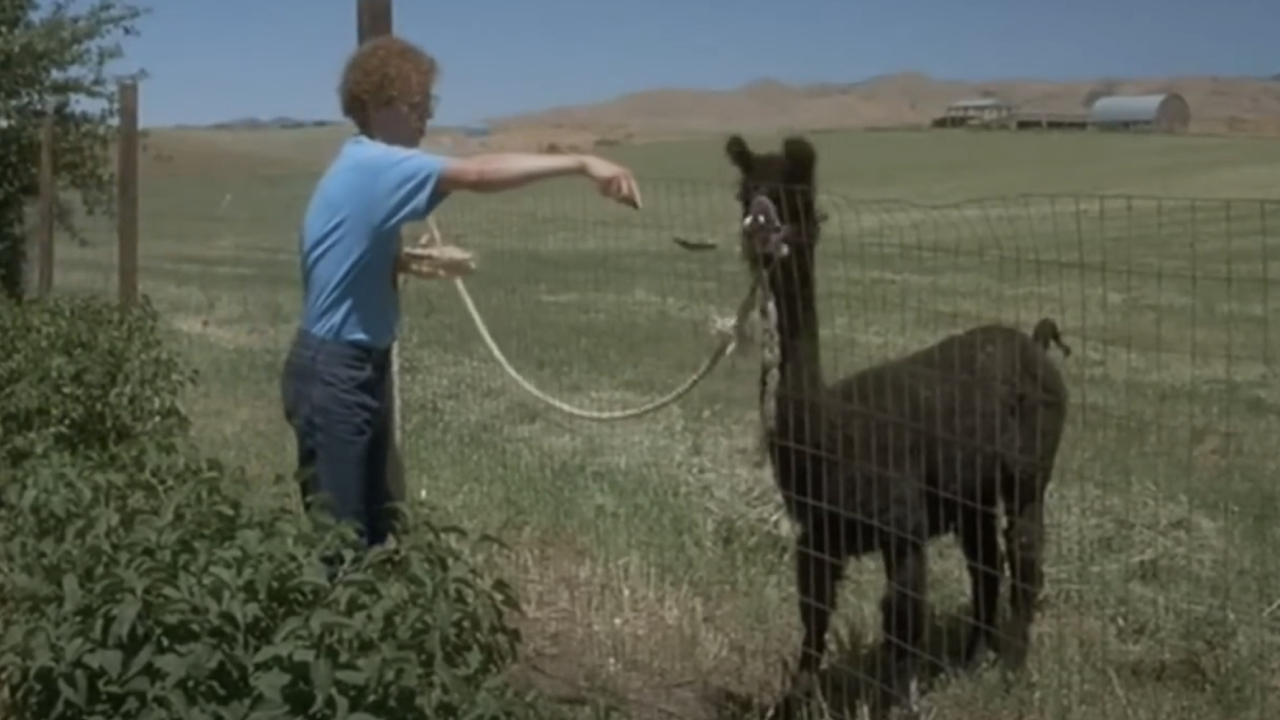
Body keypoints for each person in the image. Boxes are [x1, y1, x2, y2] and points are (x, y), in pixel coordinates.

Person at [281, 35, 642, 548]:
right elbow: (476, 172)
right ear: (378, 105)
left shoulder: (360, 163)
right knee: (340, 542)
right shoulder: (378, 164)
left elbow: (332, 249)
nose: (425, 118)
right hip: (336, 371)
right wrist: (583, 163)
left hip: (345, 366)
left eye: (429, 104)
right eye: (417, 105)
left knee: (374, 529)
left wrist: (395, 259)